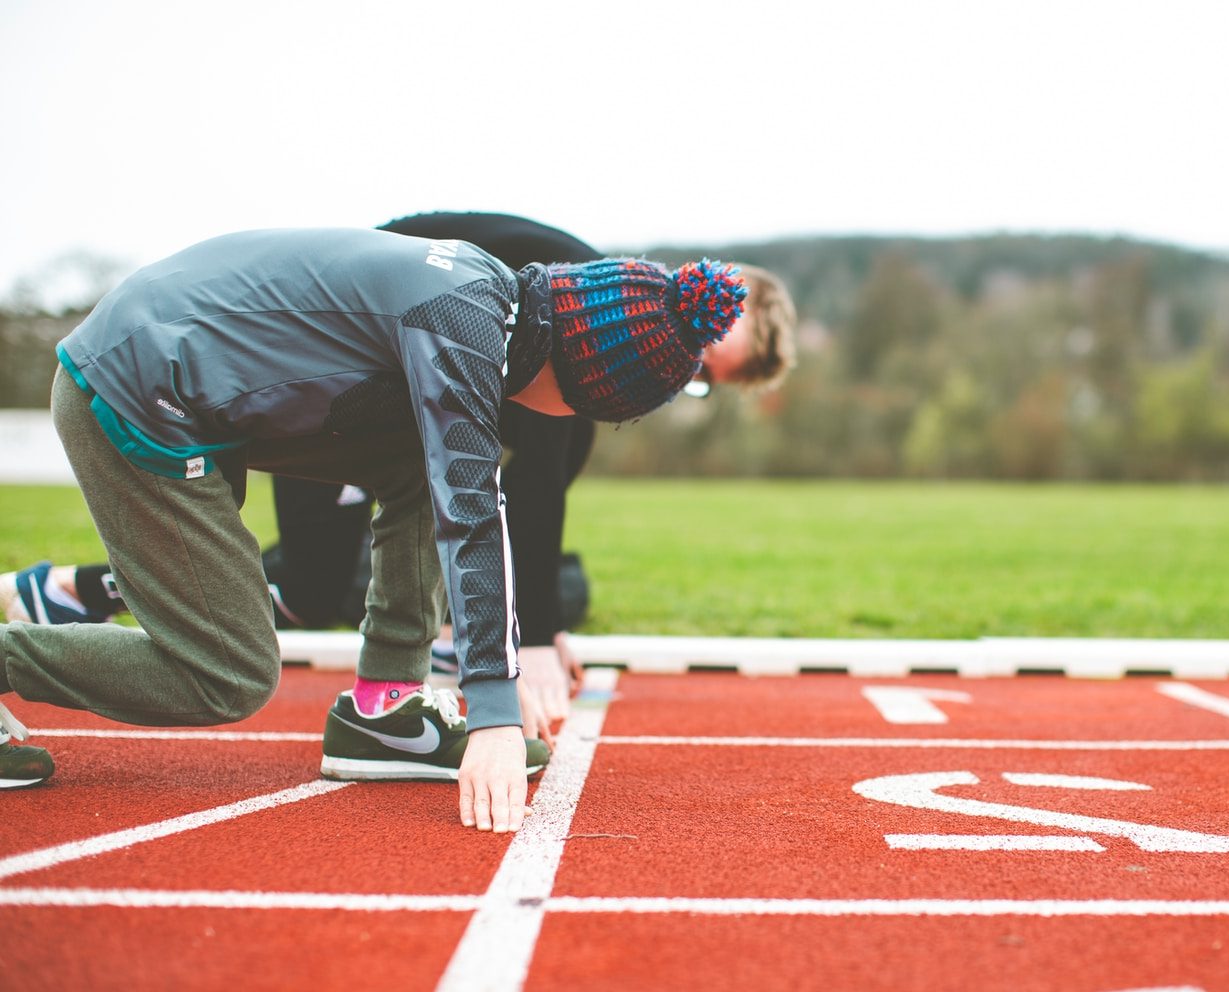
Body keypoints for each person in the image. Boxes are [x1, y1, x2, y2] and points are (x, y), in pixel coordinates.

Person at [0, 226, 747, 835]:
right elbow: (471, 512)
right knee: (225, 669)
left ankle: (384, 710)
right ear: (581, 381)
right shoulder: (462, 326)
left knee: (430, 463)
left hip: (184, 374)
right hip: (133, 391)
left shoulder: (487, 297)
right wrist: (491, 712)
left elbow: (454, 477)